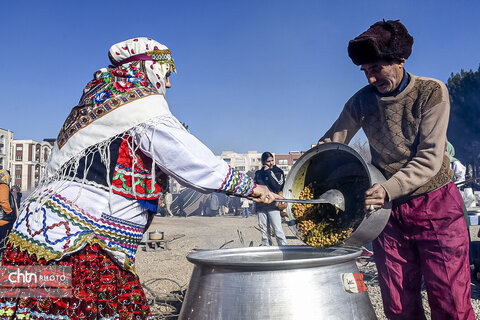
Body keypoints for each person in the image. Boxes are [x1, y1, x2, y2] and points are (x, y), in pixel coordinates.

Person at [0, 37, 279, 319]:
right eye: (167, 74)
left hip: (31, 239)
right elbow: (193, 162)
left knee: (31, 308)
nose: (168, 84)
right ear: (149, 68)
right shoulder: (142, 108)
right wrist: (254, 188)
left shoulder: (95, 105)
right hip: (83, 247)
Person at [318, 20, 474, 319]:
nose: (372, 78)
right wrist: (315, 165)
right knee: (398, 304)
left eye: (376, 68)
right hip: (387, 212)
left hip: (436, 204)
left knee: (451, 302)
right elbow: (333, 141)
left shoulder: (431, 92)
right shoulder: (361, 101)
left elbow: (430, 157)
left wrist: (387, 188)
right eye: (365, 71)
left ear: (400, 61)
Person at [254, 152, 288, 246]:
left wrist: (269, 172)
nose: (271, 163)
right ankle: (266, 250)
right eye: (268, 161)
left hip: (274, 205)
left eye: (272, 160)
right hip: (261, 206)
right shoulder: (258, 173)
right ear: (263, 162)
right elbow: (257, 188)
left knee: (278, 230)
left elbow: (277, 186)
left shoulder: (278, 172)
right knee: (264, 232)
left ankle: (285, 249)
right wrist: (264, 173)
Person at [0, 170, 16, 256]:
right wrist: (10, 212)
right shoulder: (3, 186)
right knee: (3, 243)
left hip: (2, 220)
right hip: (4, 220)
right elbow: (3, 201)